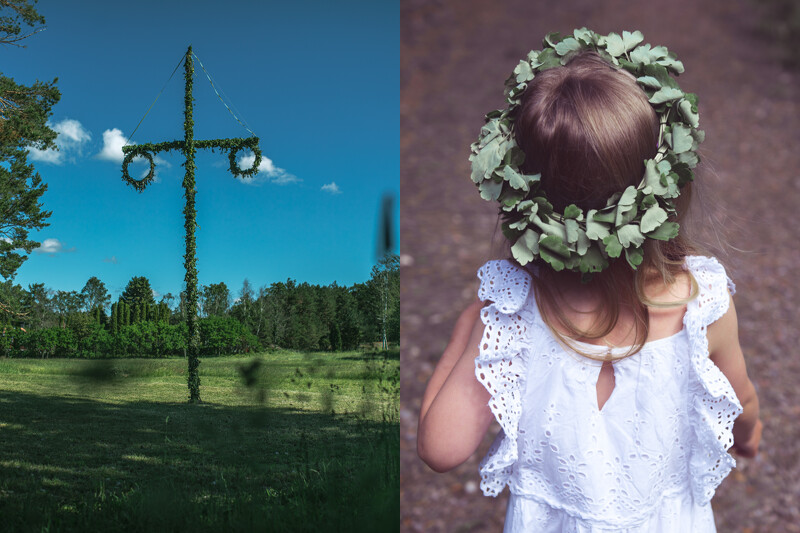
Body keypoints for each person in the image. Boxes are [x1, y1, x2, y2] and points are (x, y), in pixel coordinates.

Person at [417, 29, 761, 532]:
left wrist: (470, 331)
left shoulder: (509, 319)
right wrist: (749, 435)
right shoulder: (700, 302)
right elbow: (740, 399)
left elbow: (440, 447)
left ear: (522, 198)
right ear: (666, 185)